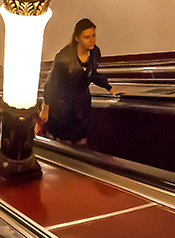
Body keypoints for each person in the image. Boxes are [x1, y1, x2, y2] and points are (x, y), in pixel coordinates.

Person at [42, 18, 122, 146]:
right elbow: (53, 82)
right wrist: (46, 107)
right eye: (87, 37)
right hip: (63, 108)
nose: (92, 40)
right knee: (65, 145)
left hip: (82, 106)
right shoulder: (64, 57)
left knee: (82, 142)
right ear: (77, 38)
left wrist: (109, 88)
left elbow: (94, 74)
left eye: (93, 35)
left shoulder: (95, 52)